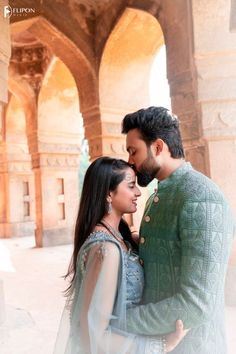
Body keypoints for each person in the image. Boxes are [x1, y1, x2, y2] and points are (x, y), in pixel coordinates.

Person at [121, 106, 235, 354]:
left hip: (194, 346)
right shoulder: (160, 194)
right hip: (159, 343)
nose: (130, 161)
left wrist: (121, 320)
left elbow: (197, 304)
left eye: (134, 151)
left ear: (158, 147)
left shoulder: (202, 198)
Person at [54, 156, 187, 354]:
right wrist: (162, 345)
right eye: (131, 185)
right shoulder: (106, 250)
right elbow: (94, 333)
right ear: (109, 194)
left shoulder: (119, 238)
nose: (138, 192)